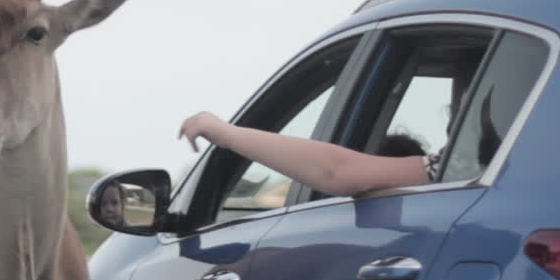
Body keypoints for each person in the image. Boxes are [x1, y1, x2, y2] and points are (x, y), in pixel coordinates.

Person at [178, 112, 442, 197]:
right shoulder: (461, 174)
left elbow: (336, 171)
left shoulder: (457, 170)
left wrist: (227, 134)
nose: (453, 113)